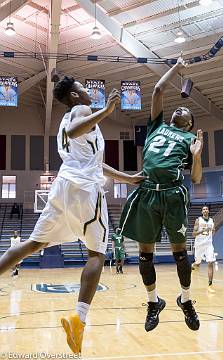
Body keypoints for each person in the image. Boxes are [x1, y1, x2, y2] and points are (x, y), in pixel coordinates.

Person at [0, 76, 144, 354]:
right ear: (75, 96)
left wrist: (126, 178)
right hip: (84, 191)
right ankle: (79, 318)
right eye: (82, 88)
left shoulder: (66, 121)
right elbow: (79, 131)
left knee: (32, 244)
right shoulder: (83, 112)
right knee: (97, 254)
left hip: (63, 186)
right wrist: (107, 111)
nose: (87, 91)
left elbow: (96, 163)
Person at [120, 56, 203, 333]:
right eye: (179, 108)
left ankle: (186, 300)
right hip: (147, 193)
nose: (181, 109)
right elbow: (157, 90)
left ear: (189, 125)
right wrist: (177, 68)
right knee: (145, 255)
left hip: (173, 195)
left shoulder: (191, 140)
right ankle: (153, 302)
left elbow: (196, 178)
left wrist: (198, 157)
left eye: (187, 112)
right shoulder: (157, 125)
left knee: (181, 254)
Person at [192, 206, 216, 293]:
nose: (205, 210)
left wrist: (212, 231)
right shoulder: (198, 220)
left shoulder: (212, 220)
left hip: (209, 245)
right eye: (204, 209)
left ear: (208, 211)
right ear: (202, 211)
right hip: (199, 245)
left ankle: (210, 284)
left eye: (206, 209)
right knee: (198, 263)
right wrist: (203, 231)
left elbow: (214, 230)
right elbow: (193, 234)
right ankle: (193, 265)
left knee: (210, 263)